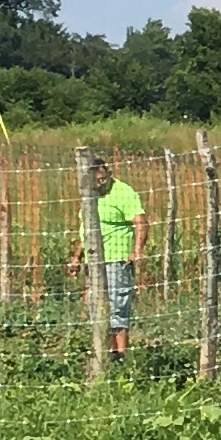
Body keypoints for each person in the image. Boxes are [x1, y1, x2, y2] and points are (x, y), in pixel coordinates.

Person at [92, 151, 144, 357]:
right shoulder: (90, 196)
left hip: (116, 258)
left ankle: (119, 355)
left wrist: (136, 250)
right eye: (96, 180)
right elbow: (86, 226)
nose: (99, 183)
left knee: (116, 308)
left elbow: (141, 222)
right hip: (94, 259)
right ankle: (101, 354)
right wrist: (77, 257)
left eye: (102, 178)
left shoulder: (123, 192)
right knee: (95, 308)